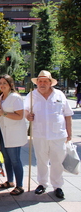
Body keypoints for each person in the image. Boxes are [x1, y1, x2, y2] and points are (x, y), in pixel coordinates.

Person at [24, 70, 73, 199]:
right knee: (41, 160)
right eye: (40, 81)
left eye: (45, 81)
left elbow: (68, 114)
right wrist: (28, 116)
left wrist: (69, 133)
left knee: (57, 161)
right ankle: (42, 184)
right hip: (39, 134)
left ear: (50, 83)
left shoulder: (59, 95)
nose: (42, 83)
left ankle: (57, 186)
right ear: (36, 83)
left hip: (58, 135)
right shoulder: (31, 95)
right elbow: (25, 110)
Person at [0, 74, 27, 196]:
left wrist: (4, 113)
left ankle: (20, 185)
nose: (2, 85)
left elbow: (20, 116)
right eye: (0, 83)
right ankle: (10, 181)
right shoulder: (0, 96)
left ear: (10, 85)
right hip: (2, 131)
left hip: (14, 133)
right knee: (6, 158)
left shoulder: (15, 98)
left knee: (15, 159)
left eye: (4, 83)